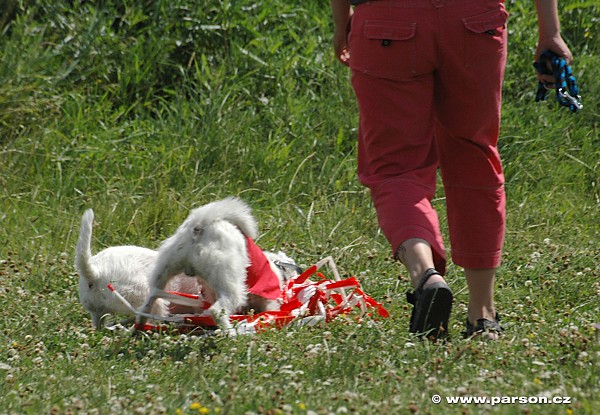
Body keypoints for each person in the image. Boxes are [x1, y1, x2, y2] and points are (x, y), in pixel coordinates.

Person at [330, 0, 573, 340]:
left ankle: (426, 275)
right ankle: (483, 315)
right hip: (474, 20)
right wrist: (550, 31)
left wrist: (342, 23)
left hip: (387, 22)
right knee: (474, 153)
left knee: (396, 168)